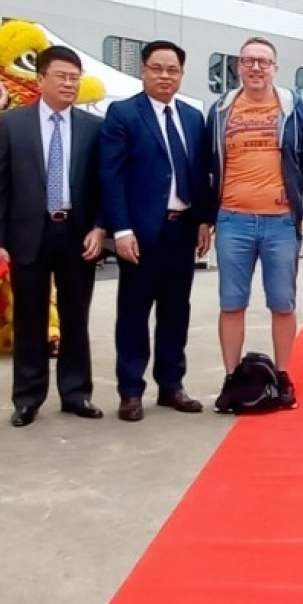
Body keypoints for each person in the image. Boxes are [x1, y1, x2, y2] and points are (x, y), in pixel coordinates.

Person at [0, 46, 107, 427]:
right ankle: (27, 397)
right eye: (62, 76)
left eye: (75, 78)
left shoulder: (93, 127)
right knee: (29, 318)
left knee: (76, 317)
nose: (70, 84)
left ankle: (76, 393)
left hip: (77, 234)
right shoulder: (12, 124)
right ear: (40, 80)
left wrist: (100, 226)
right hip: (28, 234)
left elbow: (103, 184)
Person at [204, 36, 303, 412]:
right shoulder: (222, 110)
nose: (256, 68)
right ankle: (231, 377)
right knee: (231, 302)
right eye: (249, 61)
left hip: (280, 222)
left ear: (275, 68)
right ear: (238, 66)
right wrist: (207, 218)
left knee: (282, 303)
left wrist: (295, 198)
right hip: (232, 219)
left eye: (263, 62)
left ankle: (283, 376)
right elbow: (208, 165)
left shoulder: (294, 109)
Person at [100, 40, 210, 422]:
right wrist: (121, 229)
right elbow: (111, 175)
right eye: (157, 68)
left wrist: (203, 220)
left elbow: (200, 173)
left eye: (173, 70)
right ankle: (131, 391)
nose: (165, 76)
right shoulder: (123, 113)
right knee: (134, 314)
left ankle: (171, 386)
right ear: (143, 70)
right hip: (140, 234)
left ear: (181, 74)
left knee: (176, 312)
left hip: (182, 231)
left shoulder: (193, 117)